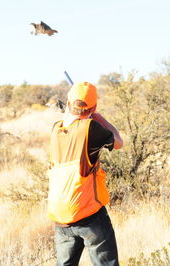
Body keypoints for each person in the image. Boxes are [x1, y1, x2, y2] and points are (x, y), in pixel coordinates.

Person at [47, 81, 123, 266]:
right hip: (88, 213)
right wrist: (98, 117)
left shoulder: (56, 129)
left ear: (67, 103)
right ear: (94, 107)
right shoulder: (91, 128)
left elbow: (70, 120)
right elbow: (118, 141)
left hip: (61, 214)